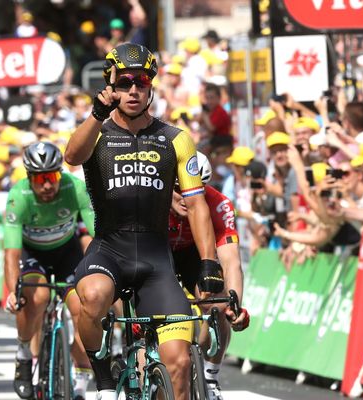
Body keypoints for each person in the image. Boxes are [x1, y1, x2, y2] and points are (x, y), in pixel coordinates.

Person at [65, 42, 231, 400]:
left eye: (141, 82)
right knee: (92, 298)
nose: (133, 90)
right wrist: (96, 113)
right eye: (123, 83)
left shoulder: (176, 139)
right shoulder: (97, 133)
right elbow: (70, 155)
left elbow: (197, 204)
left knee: (180, 364)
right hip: (109, 250)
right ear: (110, 85)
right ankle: (104, 380)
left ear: (152, 85)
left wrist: (208, 262)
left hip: (157, 261)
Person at [3, 141, 95, 400]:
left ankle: (82, 374)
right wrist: (13, 291)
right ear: (29, 177)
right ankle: (23, 354)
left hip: (67, 252)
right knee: (36, 298)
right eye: (40, 178)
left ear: (60, 174)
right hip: (34, 256)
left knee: (82, 308)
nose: (47, 185)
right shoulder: (18, 197)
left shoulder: (74, 188)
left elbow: (97, 233)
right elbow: (11, 252)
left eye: (52, 177)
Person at [169, 152, 249, 399]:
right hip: (160, 252)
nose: (186, 196)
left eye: (196, 188)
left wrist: (234, 304)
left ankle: (210, 377)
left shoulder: (219, 203)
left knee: (219, 302)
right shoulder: (151, 199)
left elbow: (231, 261)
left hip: (195, 253)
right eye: (178, 189)